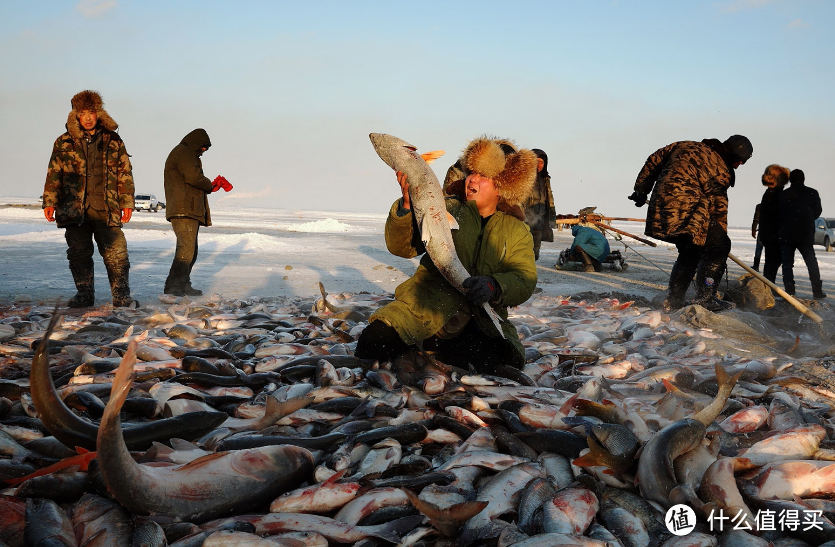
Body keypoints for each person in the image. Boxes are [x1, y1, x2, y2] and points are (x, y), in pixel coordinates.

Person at [356, 137, 538, 373]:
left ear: (502, 187)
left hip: (477, 321)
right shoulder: (444, 208)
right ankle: (422, 348)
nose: (472, 179)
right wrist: (407, 207)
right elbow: (402, 248)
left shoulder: (517, 230)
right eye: (471, 172)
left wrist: (495, 286)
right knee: (371, 342)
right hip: (423, 308)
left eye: (483, 175)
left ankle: (426, 354)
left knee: (498, 362)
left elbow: (524, 279)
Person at [628, 134, 753, 312]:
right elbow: (718, 207)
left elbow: (654, 160)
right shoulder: (721, 170)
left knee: (691, 251)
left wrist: (641, 190)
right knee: (719, 246)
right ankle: (706, 298)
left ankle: (674, 299)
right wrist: (721, 234)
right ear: (734, 156)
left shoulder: (685, 145)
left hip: (662, 207)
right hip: (688, 211)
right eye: (741, 161)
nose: (739, 165)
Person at [42, 90, 136, 308]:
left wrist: (127, 202)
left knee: (117, 253)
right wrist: (50, 201)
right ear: (75, 115)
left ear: (98, 113)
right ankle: (84, 295)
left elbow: (125, 172)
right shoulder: (63, 142)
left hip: (106, 207)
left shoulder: (113, 140)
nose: (87, 117)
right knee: (78, 253)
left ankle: (122, 296)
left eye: (91, 112)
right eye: (82, 112)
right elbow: (54, 173)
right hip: (74, 208)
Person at [163, 129, 231, 297]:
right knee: (186, 250)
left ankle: (184, 285)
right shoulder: (184, 152)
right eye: (203, 147)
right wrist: (209, 185)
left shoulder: (186, 153)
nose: (204, 151)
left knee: (190, 250)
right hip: (183, 208)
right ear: (196, 143)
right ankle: (173, 287)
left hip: (188, 208)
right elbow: (193, 177)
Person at [778, 169, 826, 299]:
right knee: (811, 263)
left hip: (787, 234)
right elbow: (818, 211)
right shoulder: (812, 193)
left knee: (787, 264)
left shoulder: (783, 195)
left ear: (791, 180)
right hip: (805, 234)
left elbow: (778, 214)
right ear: (803, 179)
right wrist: (808, 219)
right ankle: (817, 291)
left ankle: (790, 291)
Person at [752, 164, 789, 283]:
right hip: (774, 235)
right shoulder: (775, 195)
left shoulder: (770, 193)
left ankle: (768, 284)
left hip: (769, 234)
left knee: (771, 262)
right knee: (773, 262)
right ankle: (768, 285)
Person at [522, 149, 556, 260]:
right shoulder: (524, 178)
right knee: (522, 251)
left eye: (542, 162)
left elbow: (549, 200)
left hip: (539, 223)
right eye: (536, 162)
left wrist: (550, 218)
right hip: (525, 222)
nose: (539, 165)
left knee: (535, 253)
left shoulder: (545, 179)